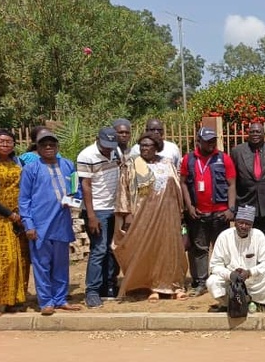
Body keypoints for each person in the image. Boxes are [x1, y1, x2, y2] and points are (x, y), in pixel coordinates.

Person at [114, 132, 188, 301]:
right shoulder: (132, 164)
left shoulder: (167, 163)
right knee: (149, 249)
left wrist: (180, 212)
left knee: (170, 249)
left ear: (157, 147)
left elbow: (176, 187)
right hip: (143, 215)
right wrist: (127, 215)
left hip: (168, 213)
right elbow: (123, 191)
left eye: (148, 146)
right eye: (142, 145)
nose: (145, 148)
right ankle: (152, 286)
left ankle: (174, 285)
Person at [18, 130, 81, 315]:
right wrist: (28, 225)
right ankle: (46, 301)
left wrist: (72, 200)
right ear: (37, 148)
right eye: (44, 145)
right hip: (40, 225)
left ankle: (60, 299)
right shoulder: (31, 168)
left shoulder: (68, 165)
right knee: (42, 265)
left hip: (62, 224)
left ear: (57, 147)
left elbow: (75, 192)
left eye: (51, 144)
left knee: (61, 264)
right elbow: (24, 199)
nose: (48, 148)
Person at [181, 126, 237, 297]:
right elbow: (183, 182)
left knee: (223, 249)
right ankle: (200, 282)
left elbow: (232, 184)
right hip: (198, 213)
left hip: (221, 213)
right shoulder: (189, 159)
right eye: (207, 141)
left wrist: (231, 209)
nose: (211, 144)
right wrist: (189, 206)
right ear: (199, 141)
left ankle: (225, 281)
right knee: (199, 249)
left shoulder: (223, 158)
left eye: (213, 140)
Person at [76, 127, 121, 307]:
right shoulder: (86, 155)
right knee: (99, 250)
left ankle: (108, 286)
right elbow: (85, 186)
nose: (108, 149)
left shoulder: (115, 151)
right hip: (98, 210)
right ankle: (92, 291)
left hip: (114, 208)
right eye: (105, 146)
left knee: (112, 249)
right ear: (97, 140)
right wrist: (92, 215)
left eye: (111, 146)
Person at [207, 205, 265, 313]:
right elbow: (215, 265)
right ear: (235, 222)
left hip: (251, 279)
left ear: (252, 225)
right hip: (231, 280)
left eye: (248, 224)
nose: (244, 226)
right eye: (241, 223)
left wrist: (250, 272)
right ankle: (227, 304)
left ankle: (256, 302)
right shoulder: (224, 236)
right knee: (212, 282)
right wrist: (230, 274)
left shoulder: (258, 235)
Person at [0, 130, 29, 315]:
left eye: (9, 142)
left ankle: (13, 299)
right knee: (1, 260)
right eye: (1, 141)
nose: (6, 145)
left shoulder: (17, 163)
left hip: (19, 217)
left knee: (20, 259)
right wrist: (9, 214)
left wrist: (20, 214)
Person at [230, 122, 265, 244]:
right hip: (245, 202)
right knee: (245, 241)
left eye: (258, 132)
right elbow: (232, 180)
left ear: (264, 134)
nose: (255, 134)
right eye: (252, 132)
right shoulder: (237, 151)